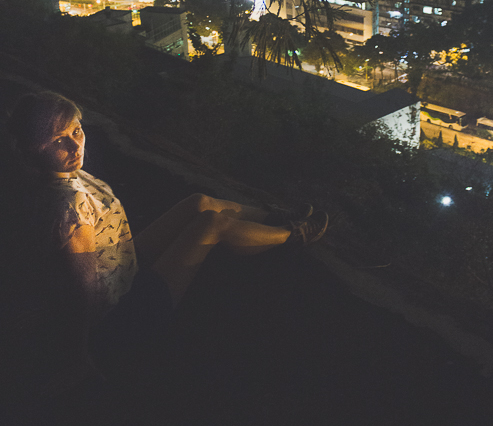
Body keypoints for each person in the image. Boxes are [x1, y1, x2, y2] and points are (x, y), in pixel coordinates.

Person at [4, 90, 328, 395]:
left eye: (76, 131)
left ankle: (271, 218)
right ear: (36, 149)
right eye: (59, 140)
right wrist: (78, 356)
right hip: (125, 312)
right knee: (211, 225)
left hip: (121, 267)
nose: (76, 147)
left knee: (199, 202)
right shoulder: (68, 206)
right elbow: (82, 290)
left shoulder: (62, 174)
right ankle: (293, 236)